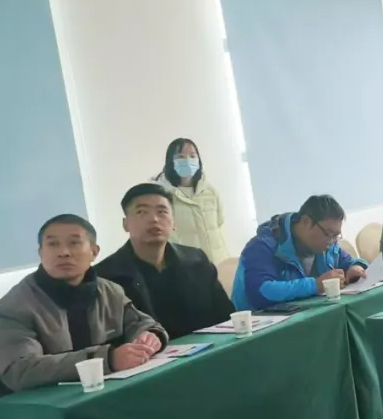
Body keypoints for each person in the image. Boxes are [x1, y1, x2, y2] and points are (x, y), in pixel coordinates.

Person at [0, 215, 167, 394]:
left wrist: (150, 336)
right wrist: (107, 359)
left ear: (94, 252)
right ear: (41, 253)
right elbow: (20, 370)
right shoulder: (15, 305)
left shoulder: (110, 290)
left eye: (74, 243)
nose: (64, 252)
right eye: (53, 244)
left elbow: (142, 323)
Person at [97, 183, 234, 339]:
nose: (154, 219)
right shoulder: (105, 276)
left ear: (173, 222)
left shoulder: (197, 260)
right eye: (142, 212)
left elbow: (226, 317)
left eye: (162, 212)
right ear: (125, 224)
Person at [232, 195, 369, 311]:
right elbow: (262, 292)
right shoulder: (263, 246)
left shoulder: (327, 245)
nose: (332, 241)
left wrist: (355, 268)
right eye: (328, 234)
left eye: (336, 236)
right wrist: (315, 285)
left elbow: (349, 262)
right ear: (305, 222)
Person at [154, 138, 229, 265]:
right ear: (170, 161)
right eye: (181, 157)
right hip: (186, 267)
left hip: (218, 263)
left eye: (192, 156)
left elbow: (219, 221)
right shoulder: (161, 195)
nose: (188, 161)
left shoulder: (209, 191)